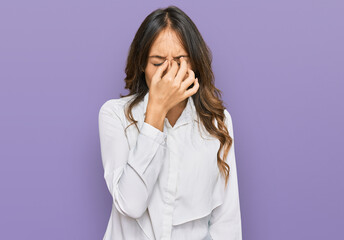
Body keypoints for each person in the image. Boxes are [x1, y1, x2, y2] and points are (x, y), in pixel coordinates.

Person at [98, 5, 242, 240]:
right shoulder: (114, 115)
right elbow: (131, 204)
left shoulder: (218, 123)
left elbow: (226, 221)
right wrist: (156, 110)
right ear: (142, 64)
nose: (169, 73)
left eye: (179, 60)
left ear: (194, 63)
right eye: (157, 63)